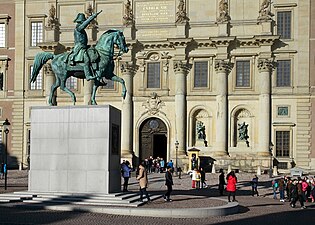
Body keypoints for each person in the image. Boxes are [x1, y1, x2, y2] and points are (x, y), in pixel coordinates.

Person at [69, 10, 102, 80]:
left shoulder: (81, 29)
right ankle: (88, 75)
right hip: (80, 47)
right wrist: (92, 17)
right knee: (86, 58)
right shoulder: (78, 28)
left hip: (84, 46)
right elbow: (84, 25)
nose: (83, 22)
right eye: (82, 21)